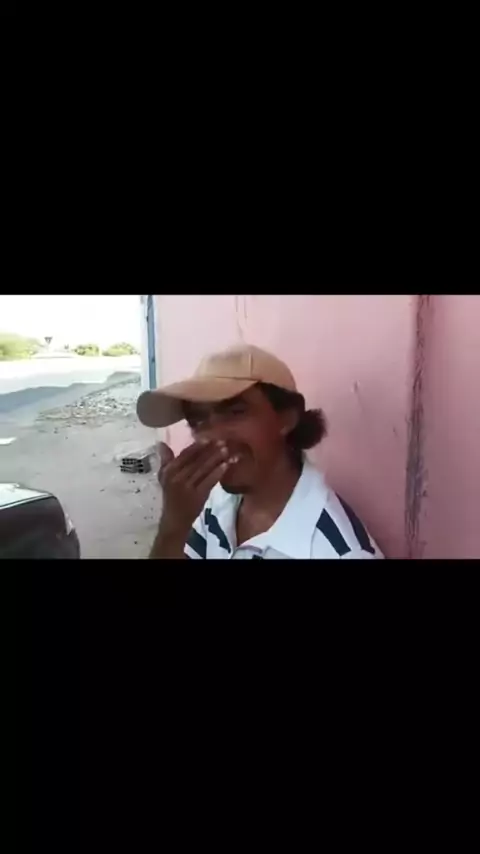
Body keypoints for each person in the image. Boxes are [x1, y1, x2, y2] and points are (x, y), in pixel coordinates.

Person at [137, 344, 384, 560]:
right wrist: (174, 526)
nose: (212, 437)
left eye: (236, 412)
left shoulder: (335, 551)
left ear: (286, 419)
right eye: (198, 421)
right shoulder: (218, 502)